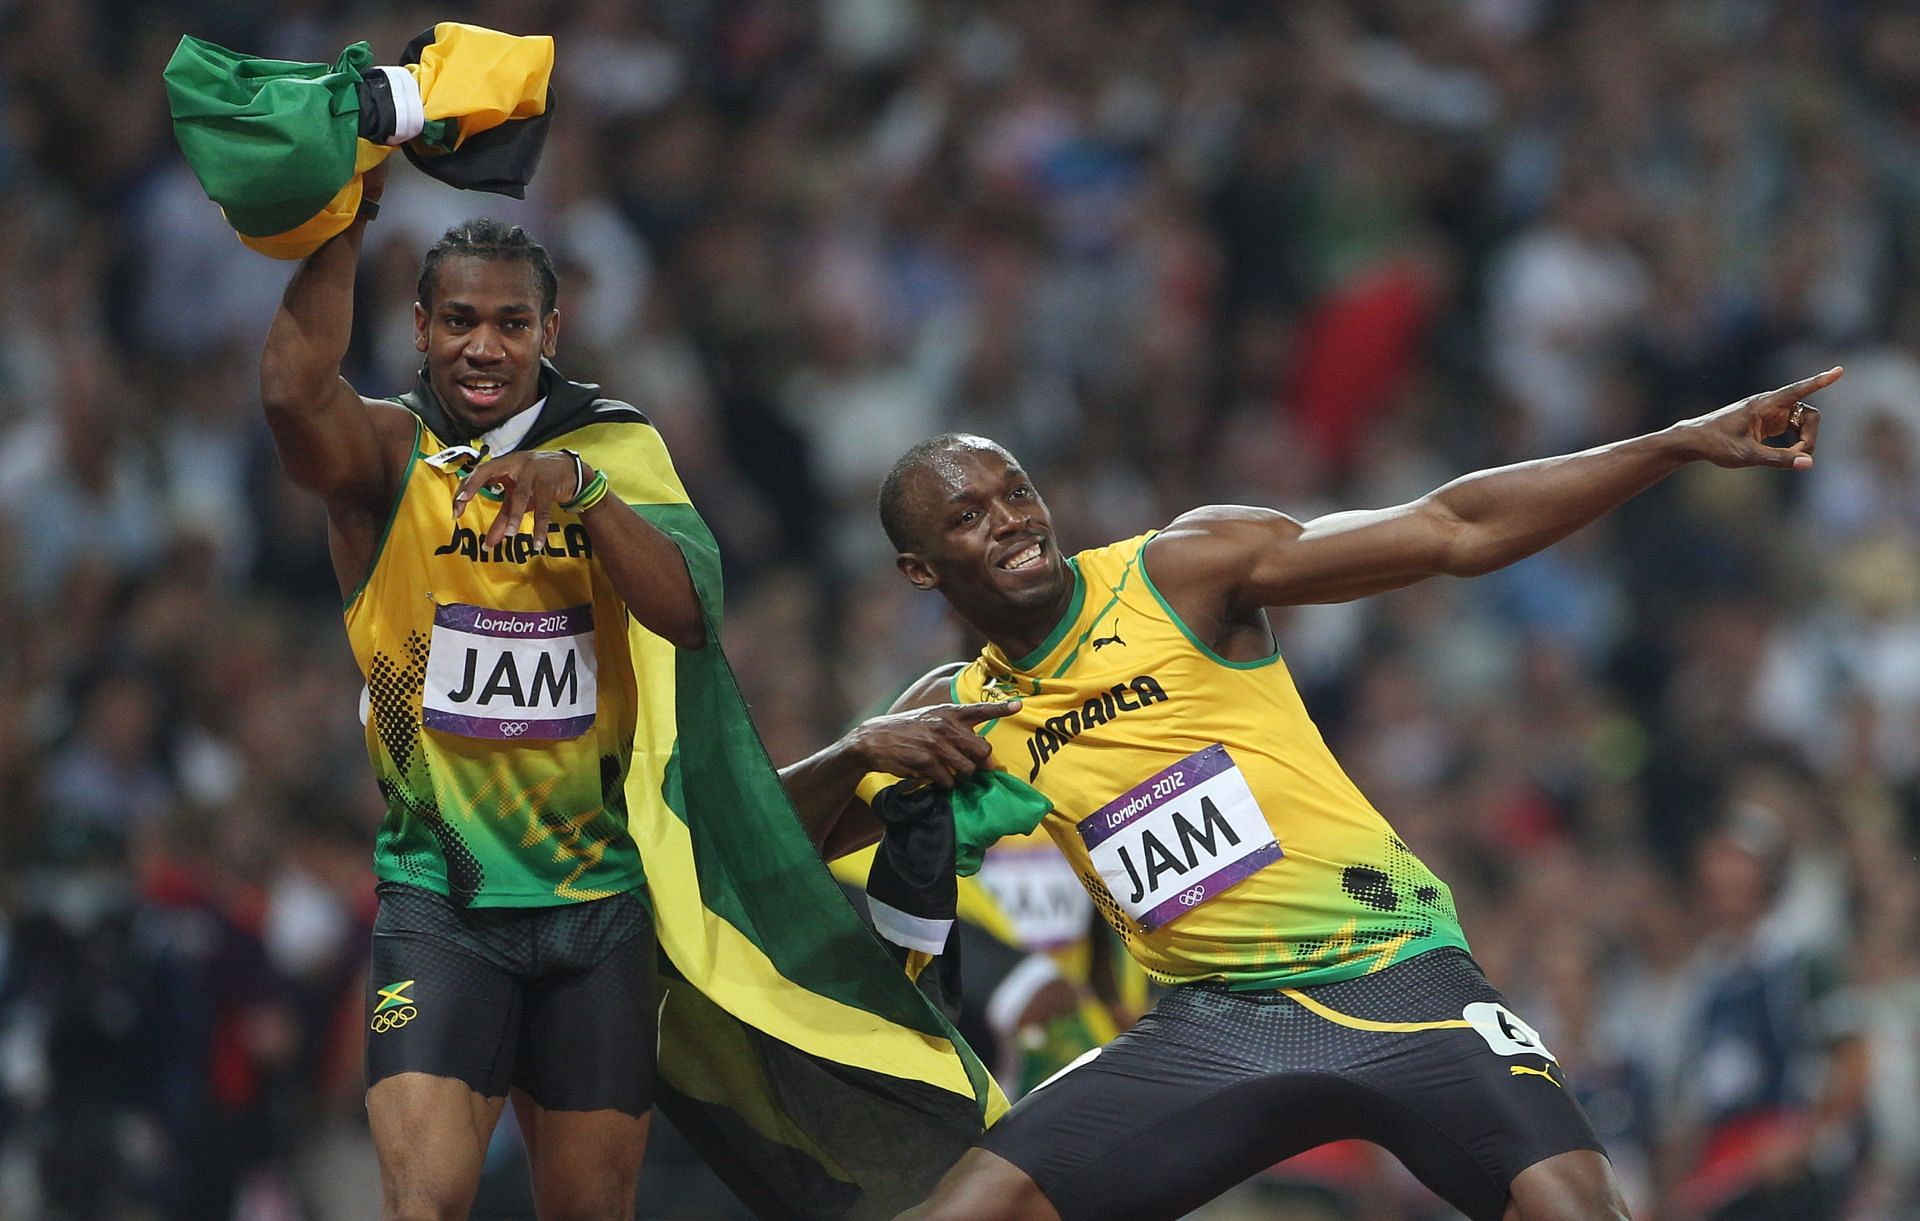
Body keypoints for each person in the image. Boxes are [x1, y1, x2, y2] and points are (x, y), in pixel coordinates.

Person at [791, 369, 1836, 1221]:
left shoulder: (1182, 571)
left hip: (1400, 976)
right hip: (1216, 1025)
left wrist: (1673, 443)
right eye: (970, 517)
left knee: (1574, 1208)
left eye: (1017, 489)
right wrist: (853, 751)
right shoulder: (956, 718)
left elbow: (1451, 528)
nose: (1013, 521)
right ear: (920, 570)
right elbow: (761, 848)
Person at [258, 158, 704, 1220]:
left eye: (512, 323)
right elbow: (288, 394)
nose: (484, 346)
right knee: (429, 1202)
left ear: (551, 333)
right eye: (459, 320)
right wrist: (346, 217)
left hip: (598, 901)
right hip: (441, 896)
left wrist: (583, 493)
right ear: (418, 326)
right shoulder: (387, 457)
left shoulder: (616, 448)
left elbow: (689, 614)